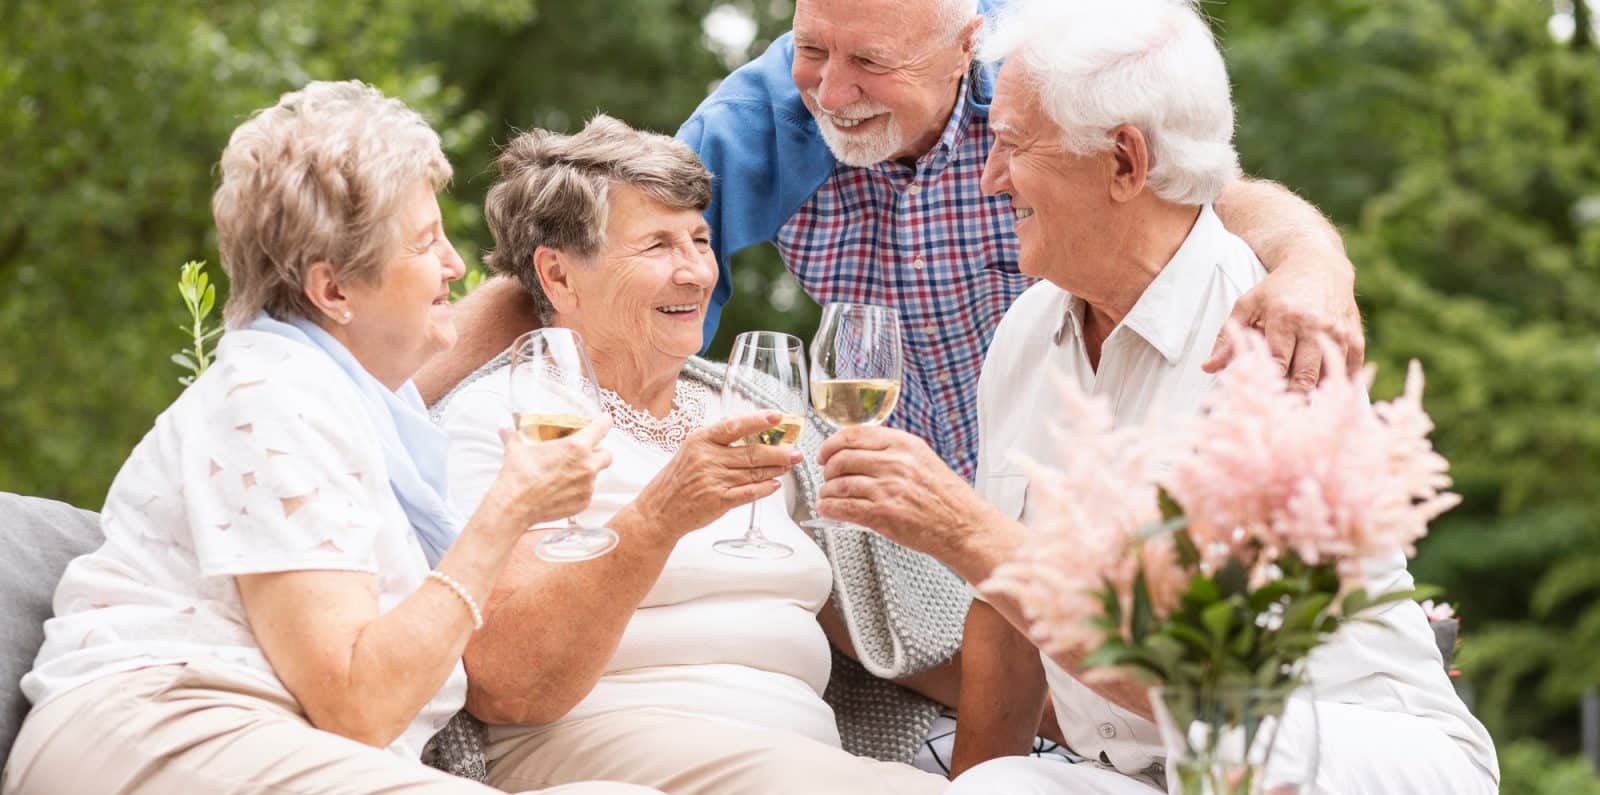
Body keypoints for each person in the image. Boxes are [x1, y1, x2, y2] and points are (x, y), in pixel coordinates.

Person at [809, 1, 1500, 795]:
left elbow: (1203, 681)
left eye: (1014, 146)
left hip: (1356, 752)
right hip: (1160, 780)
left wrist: (966, 533)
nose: (989, 178)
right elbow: (1007, 628)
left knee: (1246, 752)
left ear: (1126, 162)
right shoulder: (1028, 331)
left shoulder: (1268, 345)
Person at [0, 81, 702, 795]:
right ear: (334, 291)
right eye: (425, 243)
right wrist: (507, 514)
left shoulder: (373, 413)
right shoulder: (270, 400)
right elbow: (357, 703)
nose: (455, 267)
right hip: (155, 734)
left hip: (270, 744)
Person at [423, 0, 1366, 487]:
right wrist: (389, 406)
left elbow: (1215, 197)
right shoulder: (773, 115)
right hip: (902, 527)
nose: (832, 93)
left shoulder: (1035, 89)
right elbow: (587, 260)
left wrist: (1317, 268)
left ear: (967, 43)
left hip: (1071, 489)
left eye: (872, 63)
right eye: (811, 49)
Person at [436, 114, 955, 795]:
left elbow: (906, 625)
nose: (696, 274)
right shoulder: (501, 416)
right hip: (583, 741)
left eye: (701, 241)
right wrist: (658, 517)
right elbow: (510, 683)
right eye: (657, 247)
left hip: (799, 752)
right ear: (559, 275)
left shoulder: (750, 409)